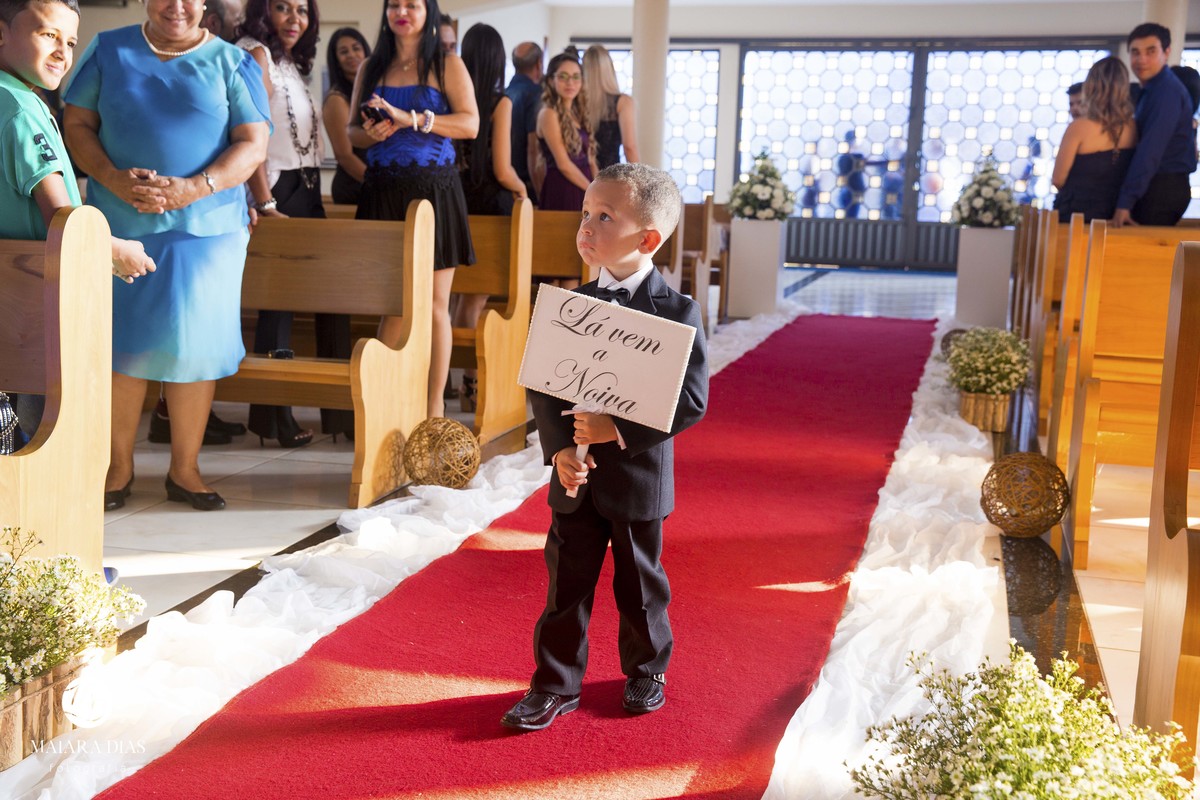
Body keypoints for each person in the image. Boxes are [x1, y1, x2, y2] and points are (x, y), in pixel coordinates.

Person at [501, 163, 708, 732]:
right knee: (566, 583)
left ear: (647, 239)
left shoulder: (676, 311)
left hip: (636, 475)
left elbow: (689, 400)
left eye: (604, 217)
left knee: (639, 584)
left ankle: (646, 669)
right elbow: (543, 384)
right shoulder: (570, 304)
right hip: (575, 476)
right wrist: (560, 449)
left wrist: (615, 429)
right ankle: (554, 684)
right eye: (585, 214)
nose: (586, 227)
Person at [63, 0, 270, 511]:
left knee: (193, 350)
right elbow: (77, 124)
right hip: (118, 225)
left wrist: (195, 188)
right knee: (121, 347)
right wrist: (111, 179)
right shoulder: (108, 49)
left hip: (206, 230)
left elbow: (254, 142)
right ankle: (117, 468)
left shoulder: (232, 61)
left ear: (204, 4)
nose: (176, 6)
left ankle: (186, 470)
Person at [0, 0, 155, 451]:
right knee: (51, 440)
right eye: (48, 35)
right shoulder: (21, 108)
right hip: (37, 302)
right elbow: (63, 217)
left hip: (14, 297)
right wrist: (114, 247)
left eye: (70, 41)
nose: (62, 52)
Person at [348, 0, 478, 418]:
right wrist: (372, 130)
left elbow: (470, 124)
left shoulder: (447, 63)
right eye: (394, 5)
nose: (402, 11)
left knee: (437, 305)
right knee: (393, 305)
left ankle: (433, 408)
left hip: (434, 190)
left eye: (413, 4)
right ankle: (389, 407)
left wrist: (413, 119)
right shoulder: (372, 66)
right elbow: (353, 133)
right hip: (383, 190)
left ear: (429, 12)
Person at [453, 22, 525, 411]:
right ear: (499, 59)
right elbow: (502, 168)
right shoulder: (501, 102)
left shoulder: (452, 97)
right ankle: (470, 383)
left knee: (455, 297)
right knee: (476, 297)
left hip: (454, 199)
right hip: (487, 205)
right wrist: (523, 190)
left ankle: (450, 381)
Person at [1113, 22, 1197, 227]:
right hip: (1158, 185)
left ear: (1166, 52)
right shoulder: (1151, 90)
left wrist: (1125, 201)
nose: (1141, 59)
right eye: (1135, 52)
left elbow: (1150, 150)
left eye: (1151, 51)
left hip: (1163, 187)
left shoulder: (1165, 91)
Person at [1052, 56, 1136, 223]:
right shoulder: (1133, 127)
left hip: (1076, 217)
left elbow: (1058, 179)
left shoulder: (1079, 127)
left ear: (1090, 86)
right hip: (1113, 216)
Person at [323, 27, 370, 206]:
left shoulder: (373, 90)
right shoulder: (337, 98)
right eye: (343, 52)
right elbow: (344, 156)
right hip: (356, 187)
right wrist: (377, 184)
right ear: (336, 60)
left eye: (356, 48)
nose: (351, 55)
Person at [583, 44, 638, 169]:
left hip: (580, 176)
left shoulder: (575, 102)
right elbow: (629, 147)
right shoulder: (623, 102)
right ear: (610, 68)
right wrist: (641, 182)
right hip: (609, 177)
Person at [505, 41, 542, 203]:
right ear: (539, 64)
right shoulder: (536, 95)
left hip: (506, 177)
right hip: (527, 181)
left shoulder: (505, 92)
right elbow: (533, 149)